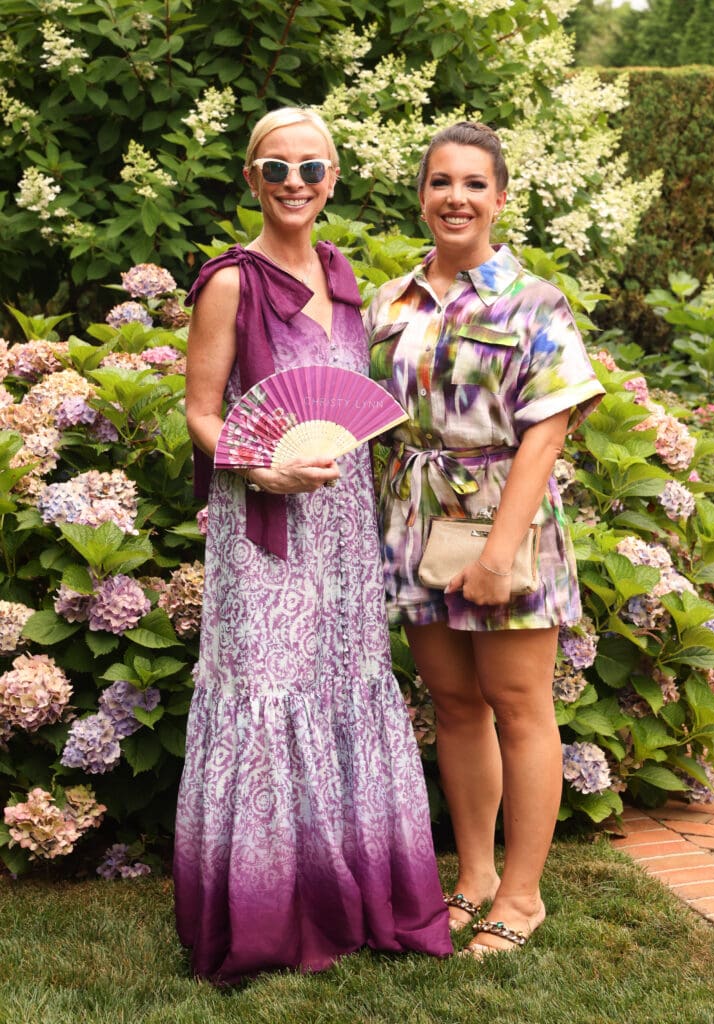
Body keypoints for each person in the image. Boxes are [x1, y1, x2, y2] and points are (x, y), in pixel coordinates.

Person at [172, 107, 451, 983]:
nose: (295, 184)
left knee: (338, 683)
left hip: (339, 526)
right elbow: (201, 413)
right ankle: (264, 910)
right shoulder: (230, 283)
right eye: (276, 169)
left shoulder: (341, 278)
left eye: (311, 169)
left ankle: (346, 893)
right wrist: (262, 469)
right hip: (267, 524)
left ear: (333, 180)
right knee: (267, 688)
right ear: (252, 180)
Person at [364, 122, 605, 957]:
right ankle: (470, 881)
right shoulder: (389, 302)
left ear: (500, 199)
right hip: (414, 523)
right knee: (456, 706)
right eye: (440, 182)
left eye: (473, 184)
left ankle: (523, 895)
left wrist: (501, 553)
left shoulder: (533, 301)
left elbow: (547, 430)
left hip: (507, 519)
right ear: (422, 194)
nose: (455, 198)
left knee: (518, 706)